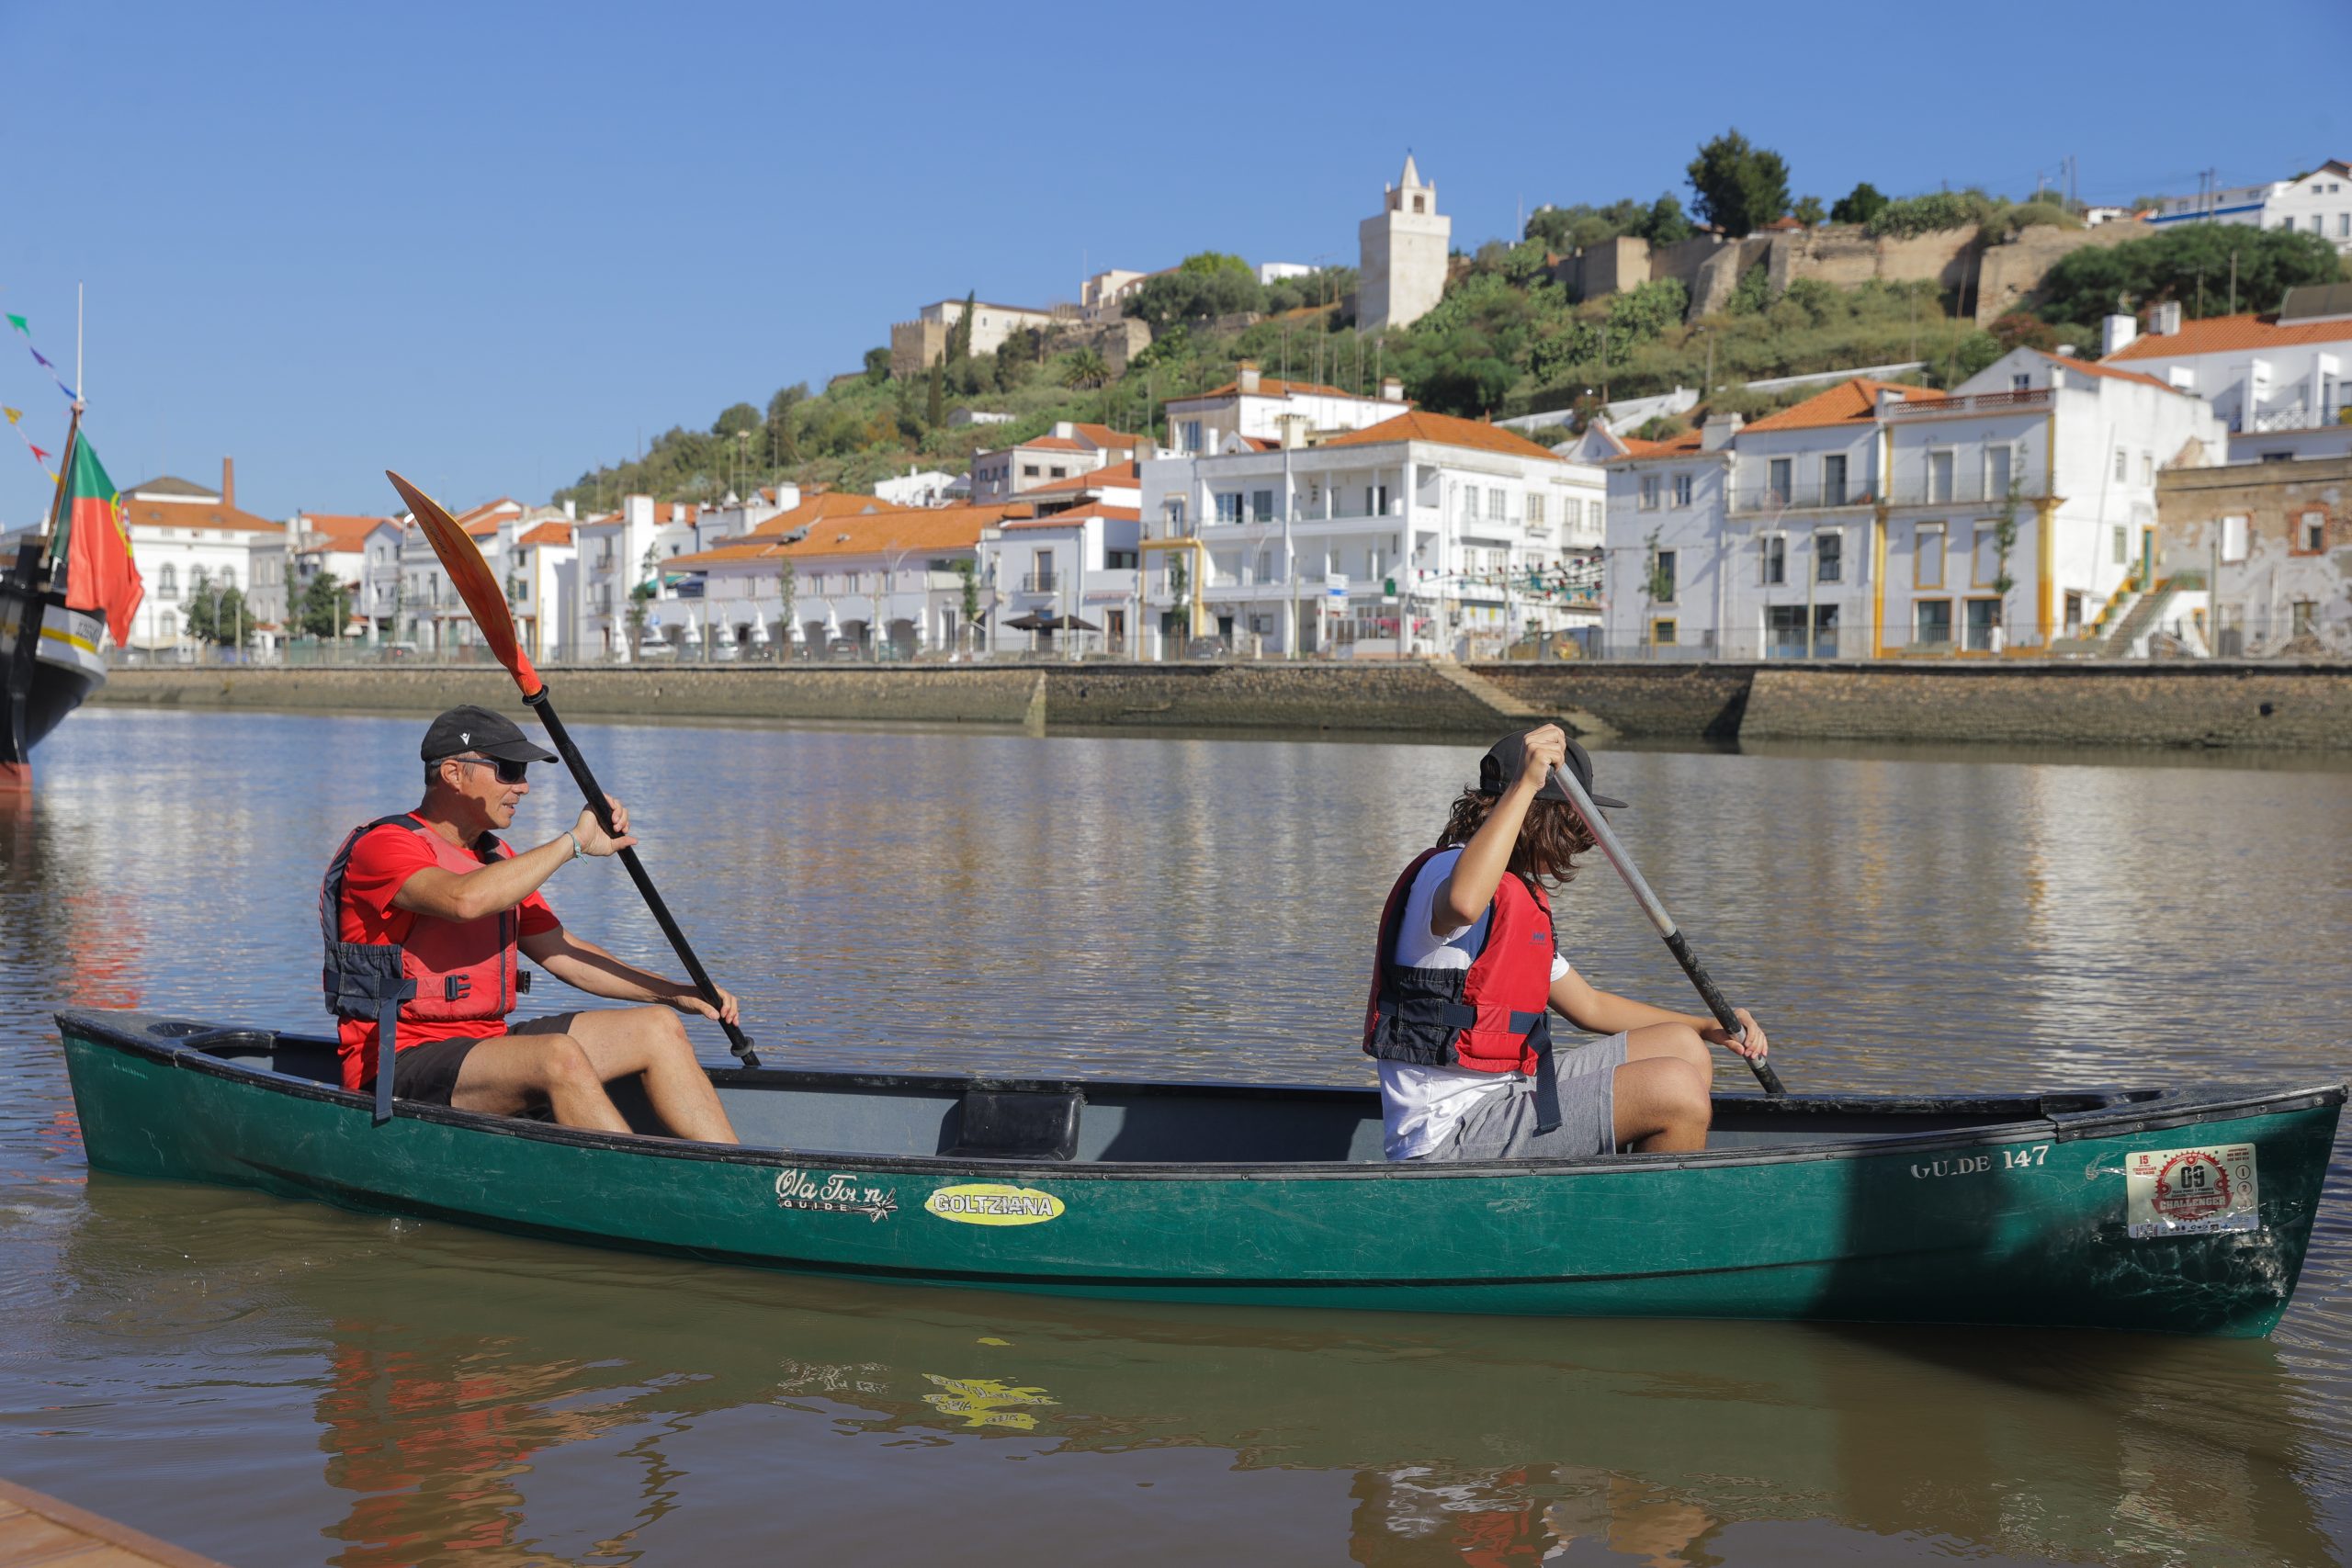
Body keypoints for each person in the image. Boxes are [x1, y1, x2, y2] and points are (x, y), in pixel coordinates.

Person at [321, 704, 740, 1143]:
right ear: (452, 773)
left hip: (485, 1045)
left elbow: (566, 955)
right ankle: (638, 1190)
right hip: (399, 1061)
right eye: (508, 769)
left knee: (658, 1028)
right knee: (556, 1056)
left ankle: (736, 1180)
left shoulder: (498, 860)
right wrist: (573, 842)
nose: (523, 786)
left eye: (523, 772)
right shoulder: (384, 847)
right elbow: (464, 900)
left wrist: (675, 993)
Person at [1363, 723, 1768, 1160]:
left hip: (1511, 1094)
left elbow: (1589, 1006)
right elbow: (1462, 903)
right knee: (1675, 1088)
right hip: (1447, 1135)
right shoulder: (1446, 873)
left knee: (1682, 1048)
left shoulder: (1514, 897)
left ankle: (1626, 1197)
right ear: (1536, 817)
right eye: (1571, 825)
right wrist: (1525, 786)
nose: (1575, 846)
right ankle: (1656, 1226)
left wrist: (1707, 1026)